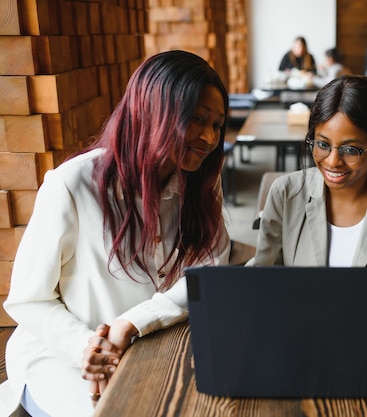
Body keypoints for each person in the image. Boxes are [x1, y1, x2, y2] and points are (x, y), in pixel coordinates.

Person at [0, 50, 231, 416]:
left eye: (217, 124)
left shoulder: (202, 184)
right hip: (61, 354)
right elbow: (29, 300)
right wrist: (89, 348)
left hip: (148, 344)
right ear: (153, 110)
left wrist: (131, 323)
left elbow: (208, 273)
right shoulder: (72, 184)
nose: (209, 136)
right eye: (196, 119)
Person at [250, 75, 367, 267]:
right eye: (323, 144)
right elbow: (263, 279)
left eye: (350, 149)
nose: (333, 162)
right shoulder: (284, 193)